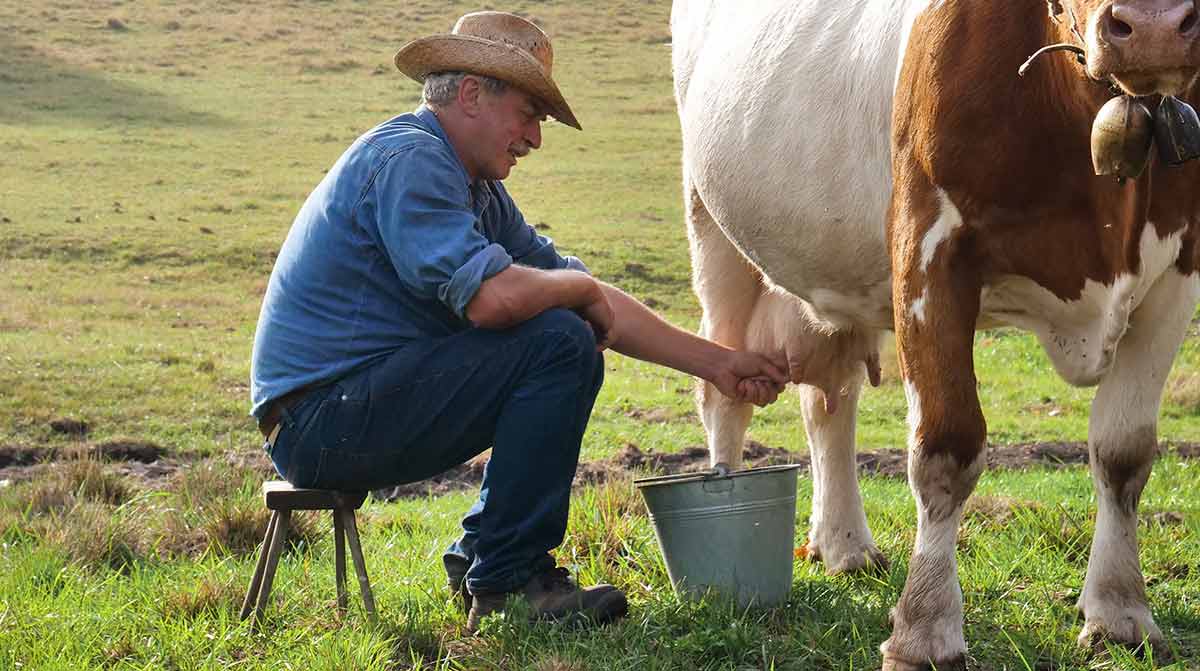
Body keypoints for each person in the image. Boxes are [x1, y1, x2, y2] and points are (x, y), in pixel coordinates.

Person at [249, 11, 789, 632]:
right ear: (474, 94)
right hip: (320, 422)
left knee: (568, 329)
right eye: (529, 113)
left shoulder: (473, 187)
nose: (534, 137)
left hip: (347, 406)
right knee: (559, 340)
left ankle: (486, 556)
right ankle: (509, 577)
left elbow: (590, 301)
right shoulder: (412, 161)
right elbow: (495, 301)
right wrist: (577, 290)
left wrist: (720, 363)